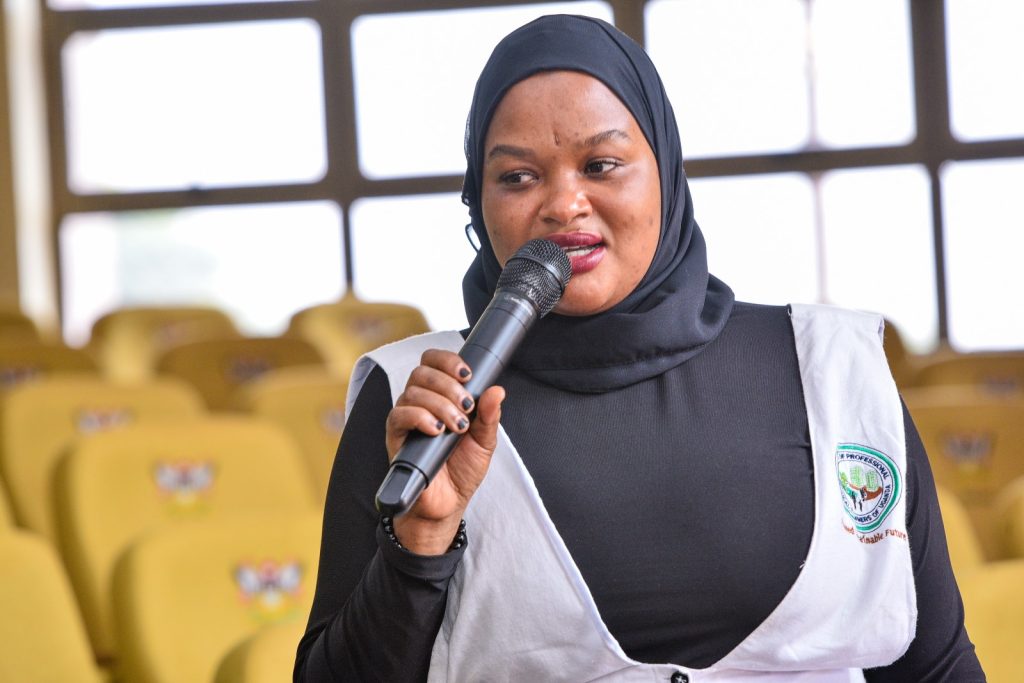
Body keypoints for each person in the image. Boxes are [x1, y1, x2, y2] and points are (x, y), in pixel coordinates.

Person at [294, 14, 984, 682]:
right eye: (517, 177)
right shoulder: (418, 401)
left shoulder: (834, 369)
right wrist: (417, 546)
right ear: (477, 201)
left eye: (601, 164)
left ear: (668, 174)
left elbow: (937, 664)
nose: (564, 204)